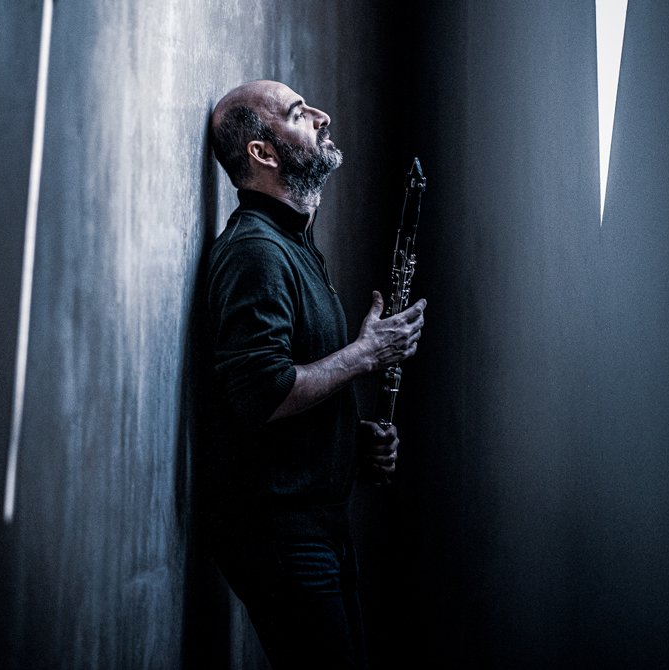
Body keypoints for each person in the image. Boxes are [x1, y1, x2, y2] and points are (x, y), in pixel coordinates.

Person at [203, 80, 426, 669]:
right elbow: (263, 394)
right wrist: (367, 353)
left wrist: (349, 445)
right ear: (263, 153)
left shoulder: (294, 243)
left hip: (317, 526)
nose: (322, 117)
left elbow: (289, 399)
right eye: (299, 113)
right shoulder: (257, 252)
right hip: (283, 535)